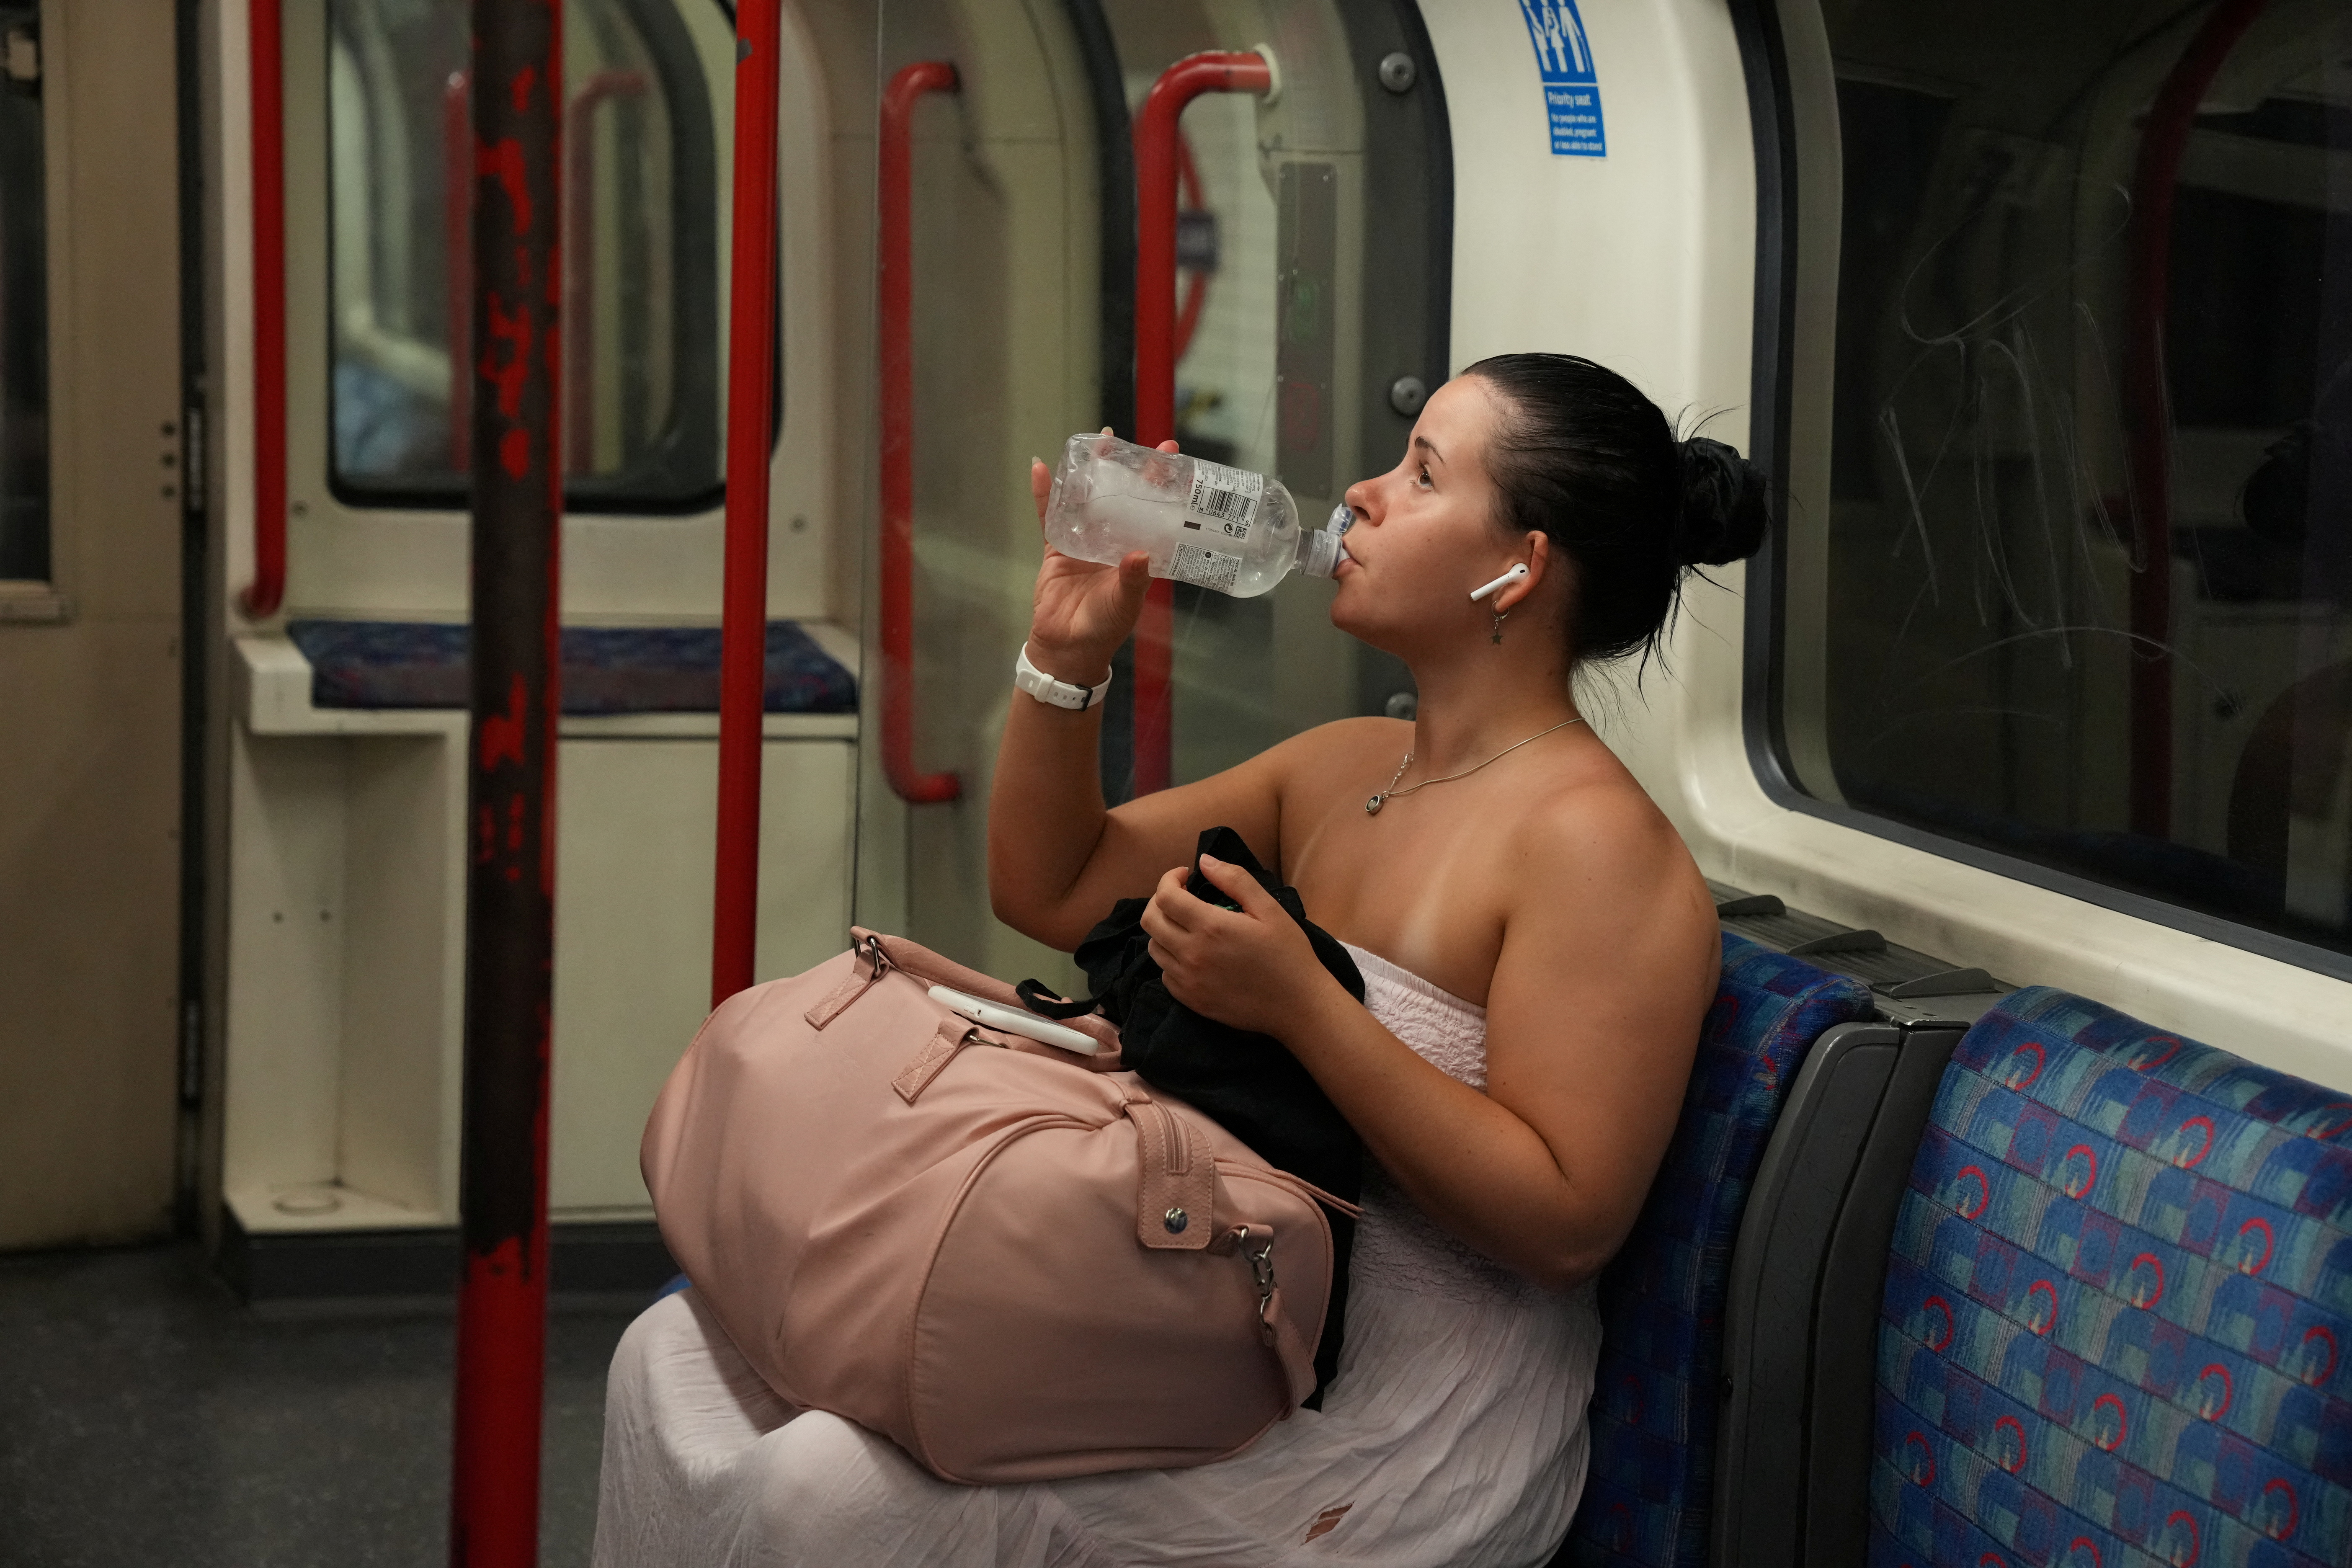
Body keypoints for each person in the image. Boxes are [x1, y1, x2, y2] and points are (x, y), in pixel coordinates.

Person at [592, 353, 1769, 1568]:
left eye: (1422, 476)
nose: (1360, 494)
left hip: (1404, 1422)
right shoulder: (1347, 764)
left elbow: (1568, 1218)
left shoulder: (1597, 848)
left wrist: (1307, 1009)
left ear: (1518, 566)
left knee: (826, 1489)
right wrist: (1067, 659)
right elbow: (1049, 883)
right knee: (672, 1361)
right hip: (1205, 1318)